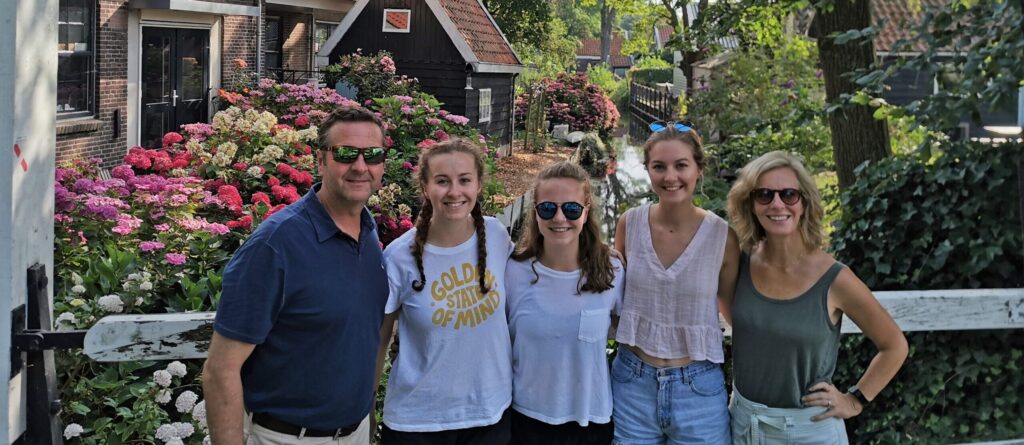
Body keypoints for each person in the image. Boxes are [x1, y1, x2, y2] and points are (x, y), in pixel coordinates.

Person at [203, 107, 390, 445]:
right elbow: (220, 371)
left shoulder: (369, 232)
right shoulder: (276, 245)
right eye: (346, 153)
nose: (360, 166)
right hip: (287, 437)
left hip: (355, 433)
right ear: (321, 160)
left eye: (372, 155)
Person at [724, 151, 908, 444]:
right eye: (763, 195)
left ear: (805, 202)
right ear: (750, 204)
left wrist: (855, 399)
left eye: (788, 194)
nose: (776, 204)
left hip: (809, 431)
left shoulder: (835, 278)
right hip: (745, 425)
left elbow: (894, 346)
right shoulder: (739, 262)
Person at [377, 138, 515, 444]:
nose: (454, 192)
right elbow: (379, 341)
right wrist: (365, 406)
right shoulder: (400, 256)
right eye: (442, 181)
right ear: (426, 188)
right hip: (417, 422)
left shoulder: (496, 236)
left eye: (464, 180)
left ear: (479, 185)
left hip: (489, 414)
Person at [611, 121, 740, 445]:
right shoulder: (630, 224)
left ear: (698, 169)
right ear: (648, 170)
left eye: (681, 165)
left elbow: (735, 312)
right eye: (659, 167)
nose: (670, 177)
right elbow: (614, 296)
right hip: (632, 384)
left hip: (698, 388)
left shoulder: (722, 237)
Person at [505, 162, 624, 445]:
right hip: (525, 420)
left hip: (590, 421)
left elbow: (626, 328)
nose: (559, 218)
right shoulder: (512, 271)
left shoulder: (613, 270)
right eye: (548, 208)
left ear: (586, 211)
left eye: (571, 209)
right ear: (535, 212)